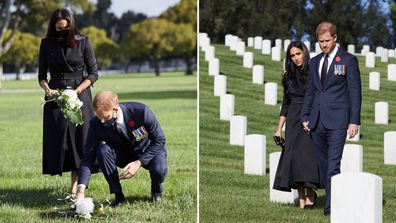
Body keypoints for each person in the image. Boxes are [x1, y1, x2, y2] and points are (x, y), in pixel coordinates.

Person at [301, 22, 362, 216]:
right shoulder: (315, 61)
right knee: (324, 165)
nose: (324, 45)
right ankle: (336, 199)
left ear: (335, 38)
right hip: (317, 121)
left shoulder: (348, 60)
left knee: (333, 165)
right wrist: (305, 115)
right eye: (321, 41)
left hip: (338, 121)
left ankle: (331, 208)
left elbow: (355, 93)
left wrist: (354, 121)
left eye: (327, 40)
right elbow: (310, 91)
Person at [38, 8, 98, 197]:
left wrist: (77, 91)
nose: (62, 31)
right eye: (58, 29)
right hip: (56, 97)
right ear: (53, 27)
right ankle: (69, 178)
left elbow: (93, 73)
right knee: (61, 142)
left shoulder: (84, 41)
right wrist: (48, 90)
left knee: (79, 141)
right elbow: (41, 75)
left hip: (80, 95)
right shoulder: (46, 44)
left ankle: (76, 186)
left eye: (65, 28)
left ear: (71, 25)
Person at [75, 91, 168, 206]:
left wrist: (139, 163)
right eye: (99, 117)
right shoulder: (96, 124)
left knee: (159, 170)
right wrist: (80, 190)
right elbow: (88, 156)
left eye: (105, 117)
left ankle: (156, 191)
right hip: (123, 154)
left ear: (115, 109)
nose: (102, 121)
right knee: (102, 151)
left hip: (148, 150)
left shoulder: (141, 112)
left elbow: (159, 140)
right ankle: (118, 196)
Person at [273, 41, 321, 209]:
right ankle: (301, 199)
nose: (295, 58)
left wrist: (311, 119)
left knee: (305, 157)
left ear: (304, 53)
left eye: (298, 54)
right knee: (293, 158)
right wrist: (279, 128)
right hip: (293, 117)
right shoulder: (288, 77)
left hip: (308, 116)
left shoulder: (313, 73)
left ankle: (310, 193)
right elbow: (285, 103)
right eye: (292, 55)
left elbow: (317, 98)